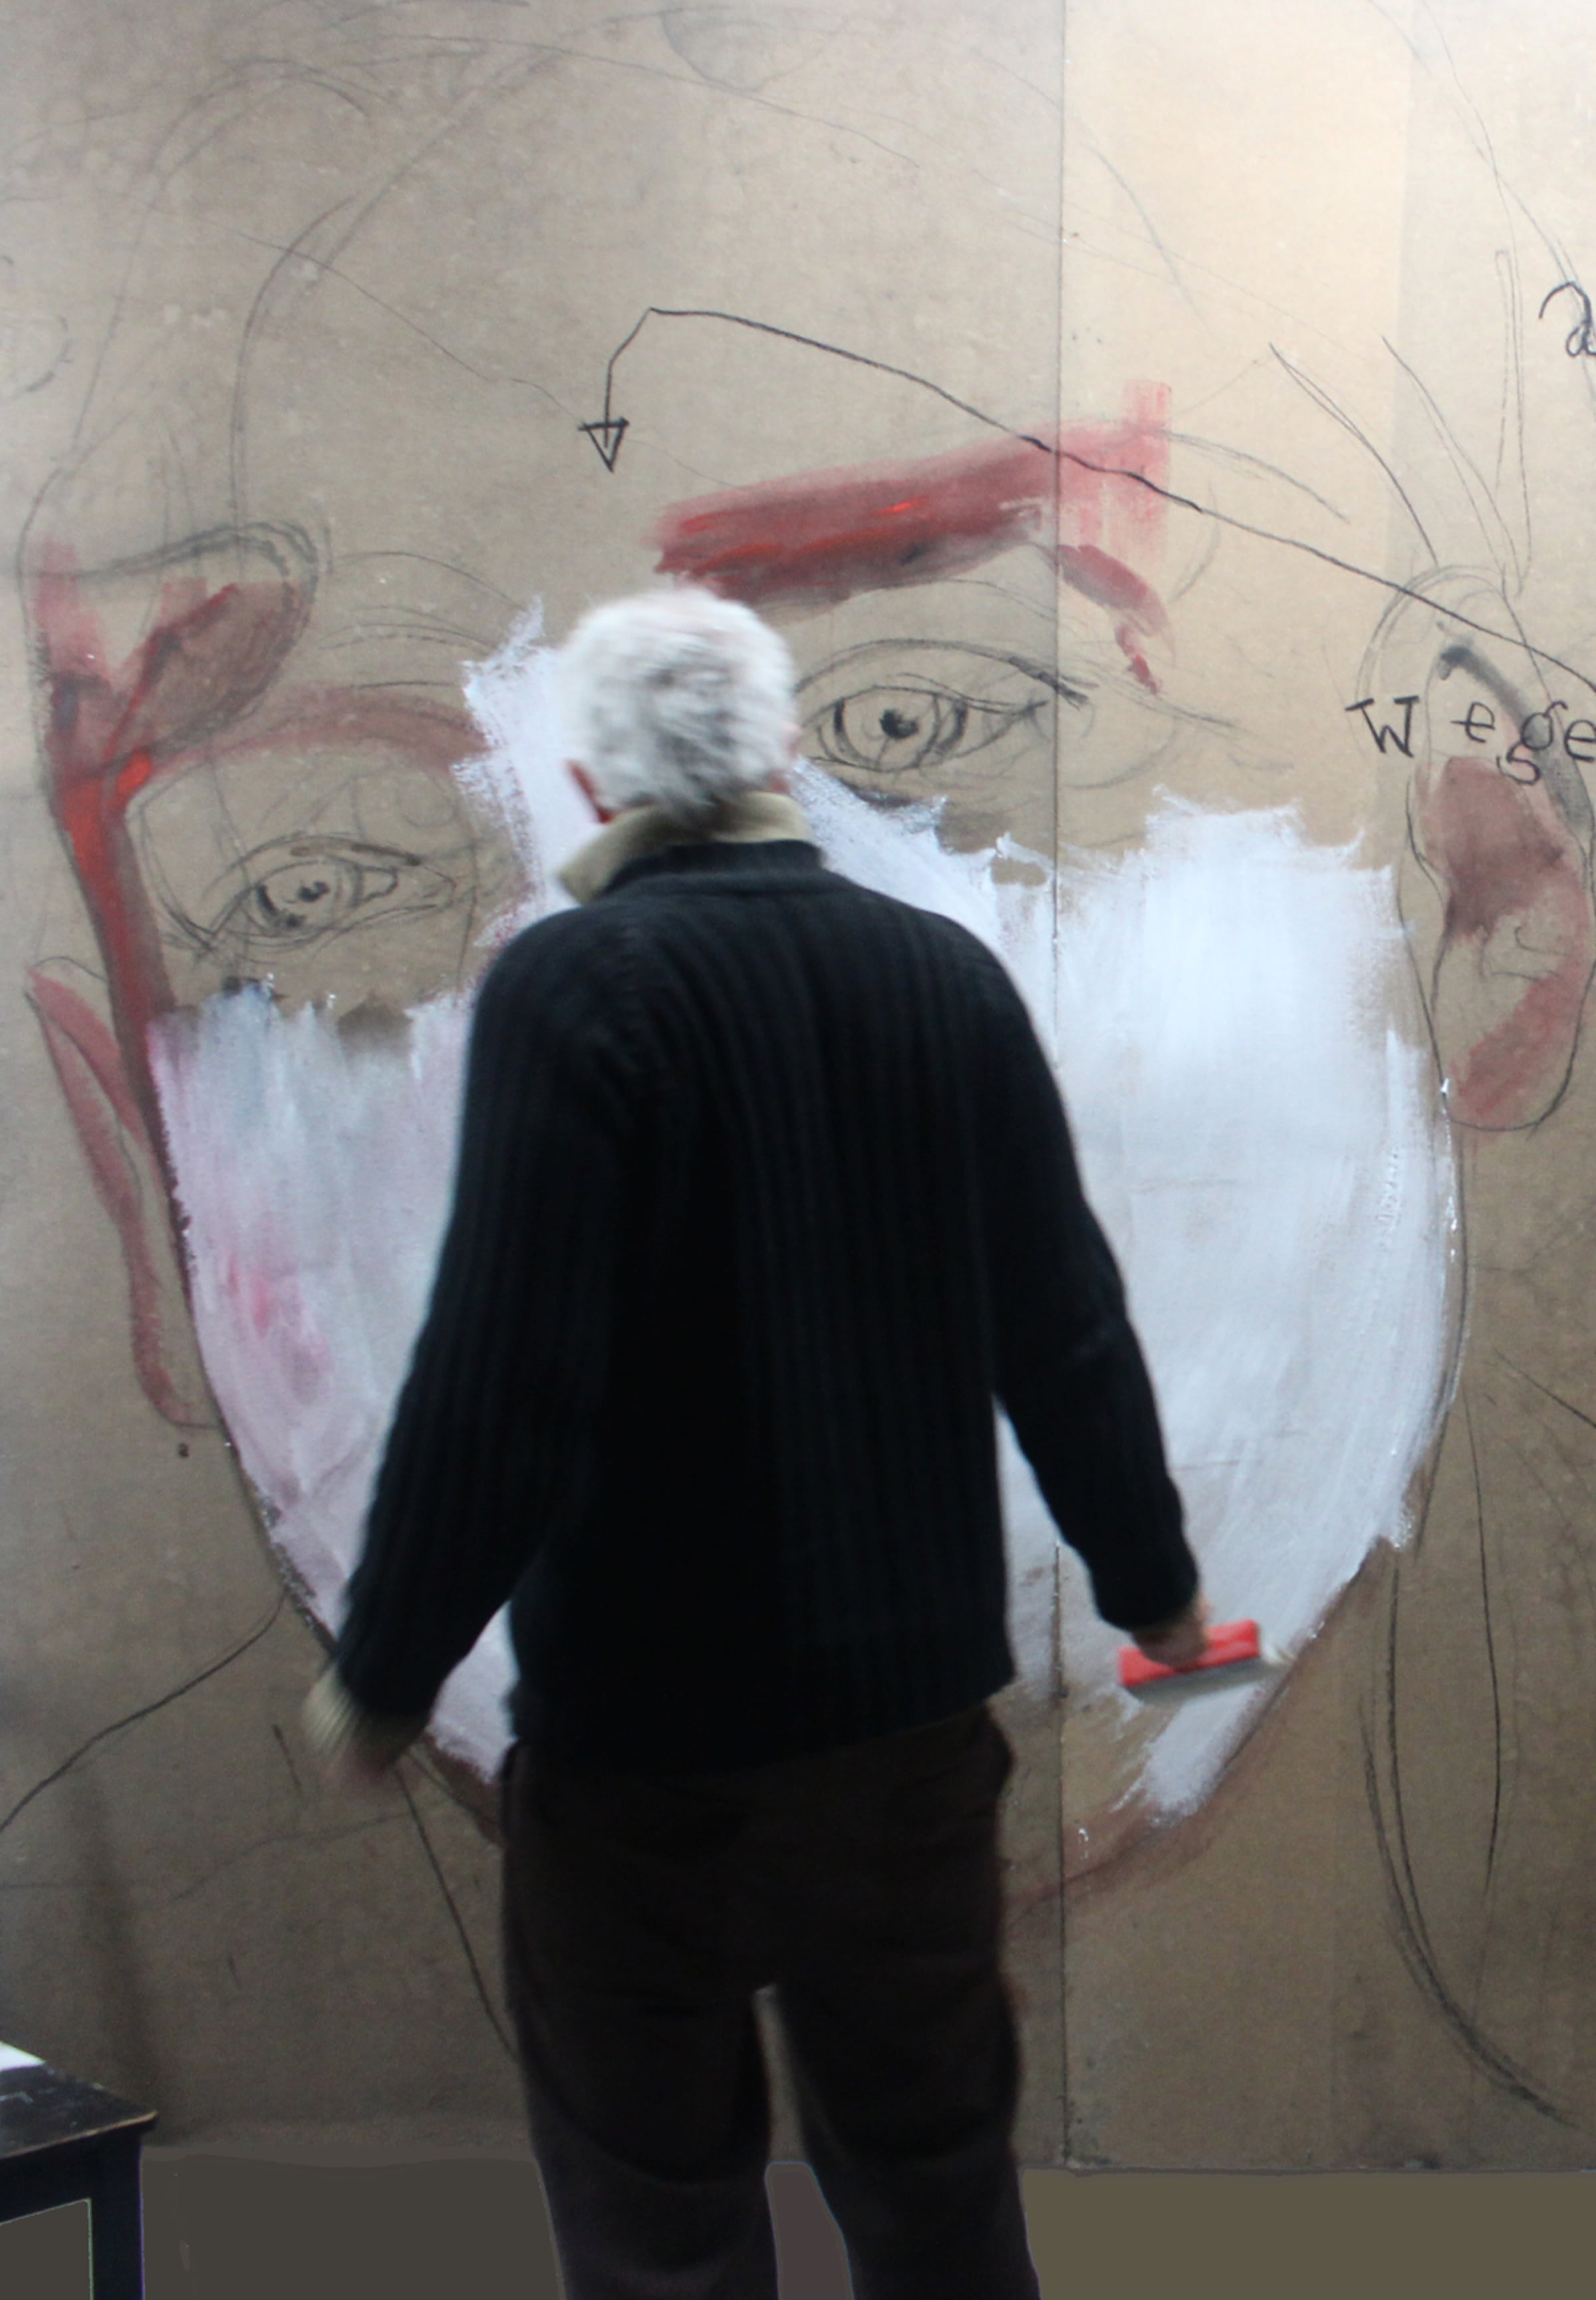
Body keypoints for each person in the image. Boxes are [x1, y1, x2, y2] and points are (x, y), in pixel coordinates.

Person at [302, 582, 1202, 2297]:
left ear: (592, 782)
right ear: (787, 750)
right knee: (938, 2196)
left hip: (645, 1755)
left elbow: (498, 1383)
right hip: (908, 1734)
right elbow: (1064, 1327)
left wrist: (388, 1673)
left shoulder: (574, 993)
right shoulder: (942, 982)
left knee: (663, 2226)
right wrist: (1154, 1587)